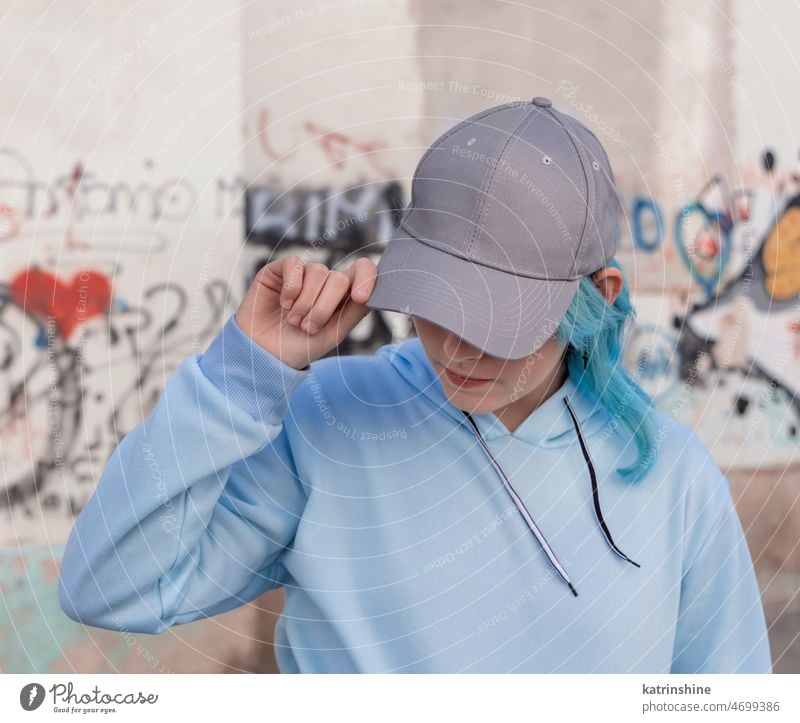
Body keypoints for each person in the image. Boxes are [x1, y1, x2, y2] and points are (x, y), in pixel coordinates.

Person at [58, 96, 772, 674]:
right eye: (437, 298)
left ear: (598, 292)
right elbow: (107, 586)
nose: (456, 344)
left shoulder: (674, 476)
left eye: (497, 316)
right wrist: (243, 374)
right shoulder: (331, 420)